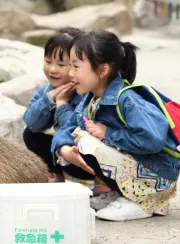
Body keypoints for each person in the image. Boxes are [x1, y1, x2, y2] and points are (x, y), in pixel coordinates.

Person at [52, 30, 179, 221]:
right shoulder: (89, 99)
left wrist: (108, 133)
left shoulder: (127, 100)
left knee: (87, 141)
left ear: (102, 70)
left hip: (158, 177)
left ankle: (143, 202)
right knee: (81, 137)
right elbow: (68, 128)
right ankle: (123, 193)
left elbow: (153, 139)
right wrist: (63, 149)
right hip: (140, 172)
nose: (70, 74)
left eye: (76, 67)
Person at [22, 27, 84, 183]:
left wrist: (62, 104)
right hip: (61, 156)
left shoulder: (85, 92)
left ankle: (92, 181)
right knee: (30, 134)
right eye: (48, 61)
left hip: (81, 157)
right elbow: (31, 122)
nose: (52, 69)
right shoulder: (46, 91)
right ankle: (54, 174)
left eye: (61, 64)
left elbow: (76, 132)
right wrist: (49, 99)